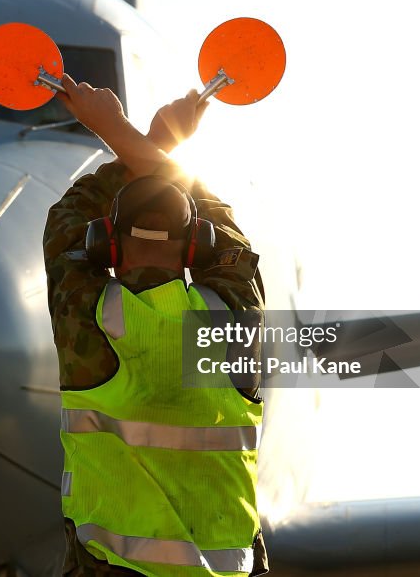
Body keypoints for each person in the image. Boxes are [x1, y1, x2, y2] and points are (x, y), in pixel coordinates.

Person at [43, 74, 269, 577]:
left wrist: (132, 132)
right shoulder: (232, 319)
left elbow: (66, 217)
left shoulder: (90, 318)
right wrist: (137, 137)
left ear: (108, 244)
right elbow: (223, 226)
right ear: (197, 246)